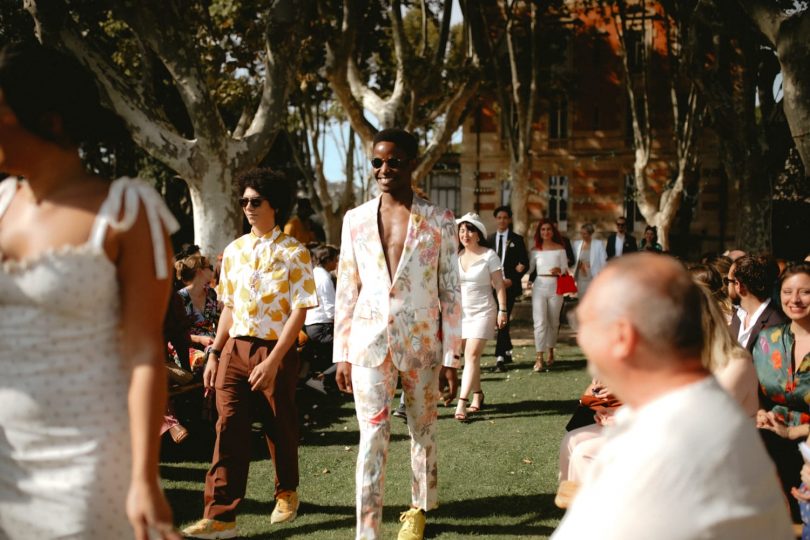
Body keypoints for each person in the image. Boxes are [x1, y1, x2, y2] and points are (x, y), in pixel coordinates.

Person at [0, 44, 179, 539]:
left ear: (49, 120)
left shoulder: (126, 209)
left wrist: (145, 477)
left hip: (86, 456)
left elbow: (145, 351)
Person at [552, 253, 793, 540]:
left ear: (623, 337)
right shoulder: (683, 404)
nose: (582, 341)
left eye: (584, 326)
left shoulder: (667, 439)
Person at [333, 128, 461, 540]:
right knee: (372, 433)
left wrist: (451, 357)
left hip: (423, 344)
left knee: (423, 430)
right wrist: (342, 352)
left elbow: (451, 292)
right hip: (368, 344)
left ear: (411, 164)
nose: (384, 169)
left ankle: (417, 510)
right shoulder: (354, 219)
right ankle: (366, 529)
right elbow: (346, 289)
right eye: (377, 162)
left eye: (394, 161)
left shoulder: (440, 219)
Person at [183, 168, 318, 539]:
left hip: (276, 350)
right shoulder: (234, 251)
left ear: (274, 203)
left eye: (255, 201)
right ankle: (221, 515)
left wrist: (274, 361)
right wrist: (214, 353)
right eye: (243, 201)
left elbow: (300, 310)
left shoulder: (295, 252)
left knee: (280, 424)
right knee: (227, 427)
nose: (247, 207)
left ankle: (287, 491)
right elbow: (228, 307)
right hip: (233, 351)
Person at [753, 262, 810, 524]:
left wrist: (796, 431)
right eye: (788, 292)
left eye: (805, 292)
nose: (794, 300)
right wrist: (762, 411)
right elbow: (757, 392)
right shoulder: (767, 340)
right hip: (770, 447)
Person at [454, 213, 507, 421]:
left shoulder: (489, 255)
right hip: (462, 313)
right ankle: (478, 394)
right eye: (461, 230)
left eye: (469, 230)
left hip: (484, 311)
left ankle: (461, 403)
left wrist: (503, 310)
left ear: (478, 234)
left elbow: (499, 285)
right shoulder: (455, 256)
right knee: (469, 358)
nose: (464, 234)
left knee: (472, 356)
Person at [487, 206, 528, 371]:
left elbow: (525, 262)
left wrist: (513, 278)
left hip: (509, 286)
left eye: (505, 217)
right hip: (493, 286)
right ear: (496, 219)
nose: (502, 220)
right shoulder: (489, 240)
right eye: (499, 217)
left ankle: (500, 357)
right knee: (499, 321)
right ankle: (507, 348)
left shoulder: (517, 239)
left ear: (509, 219)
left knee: (502, 320)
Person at [527, 219, 568, 372]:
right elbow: (530, 268)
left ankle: (550, 351)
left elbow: (565, 269)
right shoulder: (535, 250)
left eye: (548, 229)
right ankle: (539, 357)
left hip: (556, 286)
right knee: (539, 322)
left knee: (554, 321)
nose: (546, 232)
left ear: (553, 231)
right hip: (539, 285)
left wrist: (560, 269)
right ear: (539, 232)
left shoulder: (560, 249)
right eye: (543, 229)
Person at [727, 255, 786, 353]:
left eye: (728, 281)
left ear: (738, 285)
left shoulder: (776, 323)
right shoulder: (737, 316)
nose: (726, 286)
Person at [303, 242, 339, 394]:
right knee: (348, 352)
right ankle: (320, 380)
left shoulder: (313, 274)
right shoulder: (324, 278)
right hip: (322, 326)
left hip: (310, 324)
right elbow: (330, 308)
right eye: (335, 260)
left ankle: (321, 381)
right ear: (328, 260)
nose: (337, 263)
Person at [175, 251, 221, 371]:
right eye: (209, 267)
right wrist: (200, 339)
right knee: (205, 362)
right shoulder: (179, 298)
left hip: (211, 344)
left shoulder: (211, 294)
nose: (213, 270)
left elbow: (218, 321)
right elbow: (176, 334)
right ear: (200, 271)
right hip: (187, 348)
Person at [571, 223, 607, 297]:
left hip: (593, 276)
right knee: (581, 299)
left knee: (593, 299)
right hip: (581, 277)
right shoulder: (577, 244)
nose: (582, 235)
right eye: (581, 233)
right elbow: (575, 261)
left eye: (585, 234)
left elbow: (604, 262)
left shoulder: (598, 244)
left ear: (590, 233)